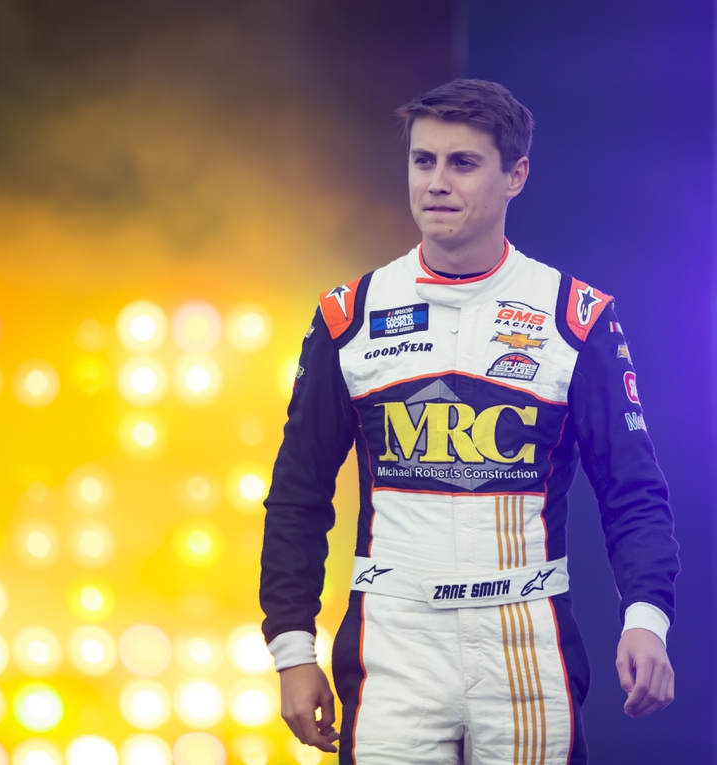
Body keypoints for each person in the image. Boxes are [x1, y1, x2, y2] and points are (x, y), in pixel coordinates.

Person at [259, 78, 680, 764]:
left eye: (463, 163)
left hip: (525, 640)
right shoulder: (349, 315)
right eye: (423, 161)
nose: (437, 182)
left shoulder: (576, 316)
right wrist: (290, 648)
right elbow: (298, 494)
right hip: (394, 640)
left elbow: (633, 491)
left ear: (516, 174)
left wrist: (647, 618)